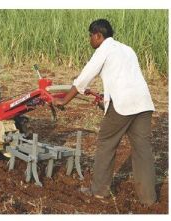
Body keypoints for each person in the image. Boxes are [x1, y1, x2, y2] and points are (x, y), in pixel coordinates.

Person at [53, 19, 157, 206]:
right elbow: (125, 77)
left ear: (98, 36)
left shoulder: (104, 49)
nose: (89, 40)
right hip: (143, 103)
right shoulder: (127, 49)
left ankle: (99, 191)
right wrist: (106, 96)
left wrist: (64, 100)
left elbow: (85, 76)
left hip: (123, 105)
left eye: (90, 36)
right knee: (143, 151)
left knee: (106, 143)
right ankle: (149, 199)